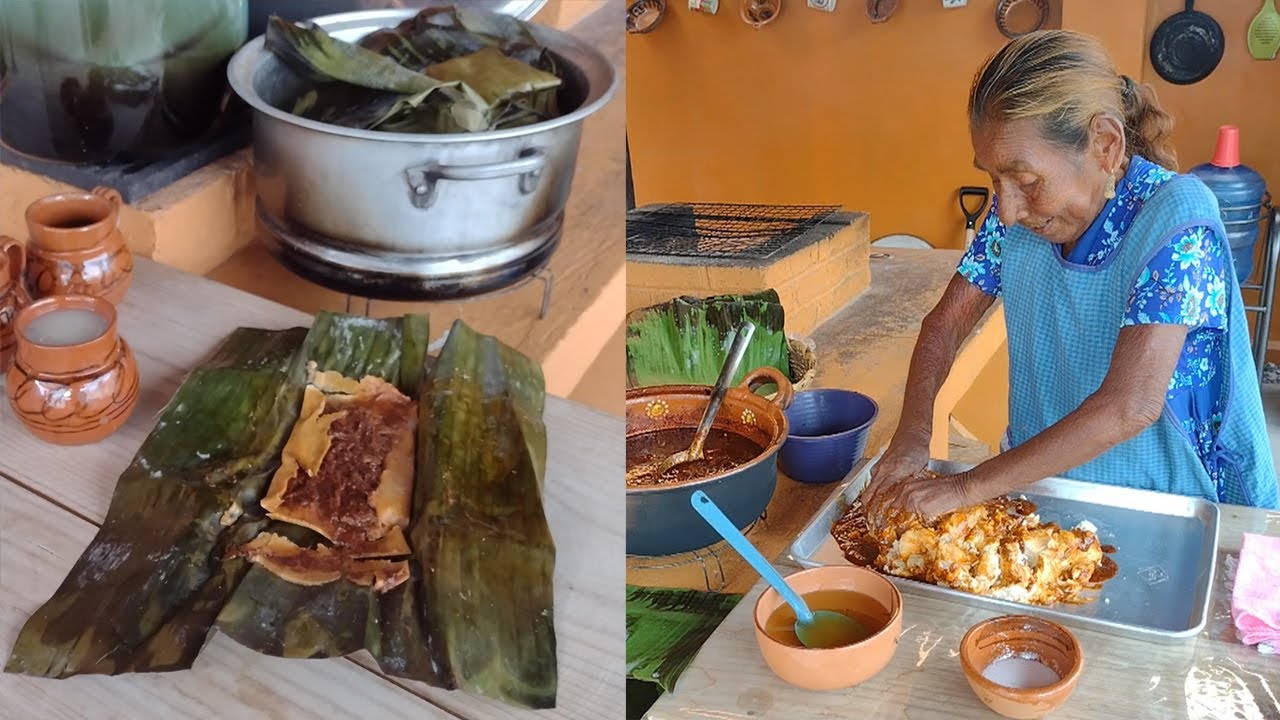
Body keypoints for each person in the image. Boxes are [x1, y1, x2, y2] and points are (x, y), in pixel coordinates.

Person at [861, 30, 1279, 519]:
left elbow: (1132, 405)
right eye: (994, 179)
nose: (1009, 209)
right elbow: (945, 324)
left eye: (1027, 181)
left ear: (1104, 144)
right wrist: (912, 434)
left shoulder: (1176, 217)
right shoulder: (1013, 219)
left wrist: (961, 489)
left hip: (1170, 507)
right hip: (1051, 493)